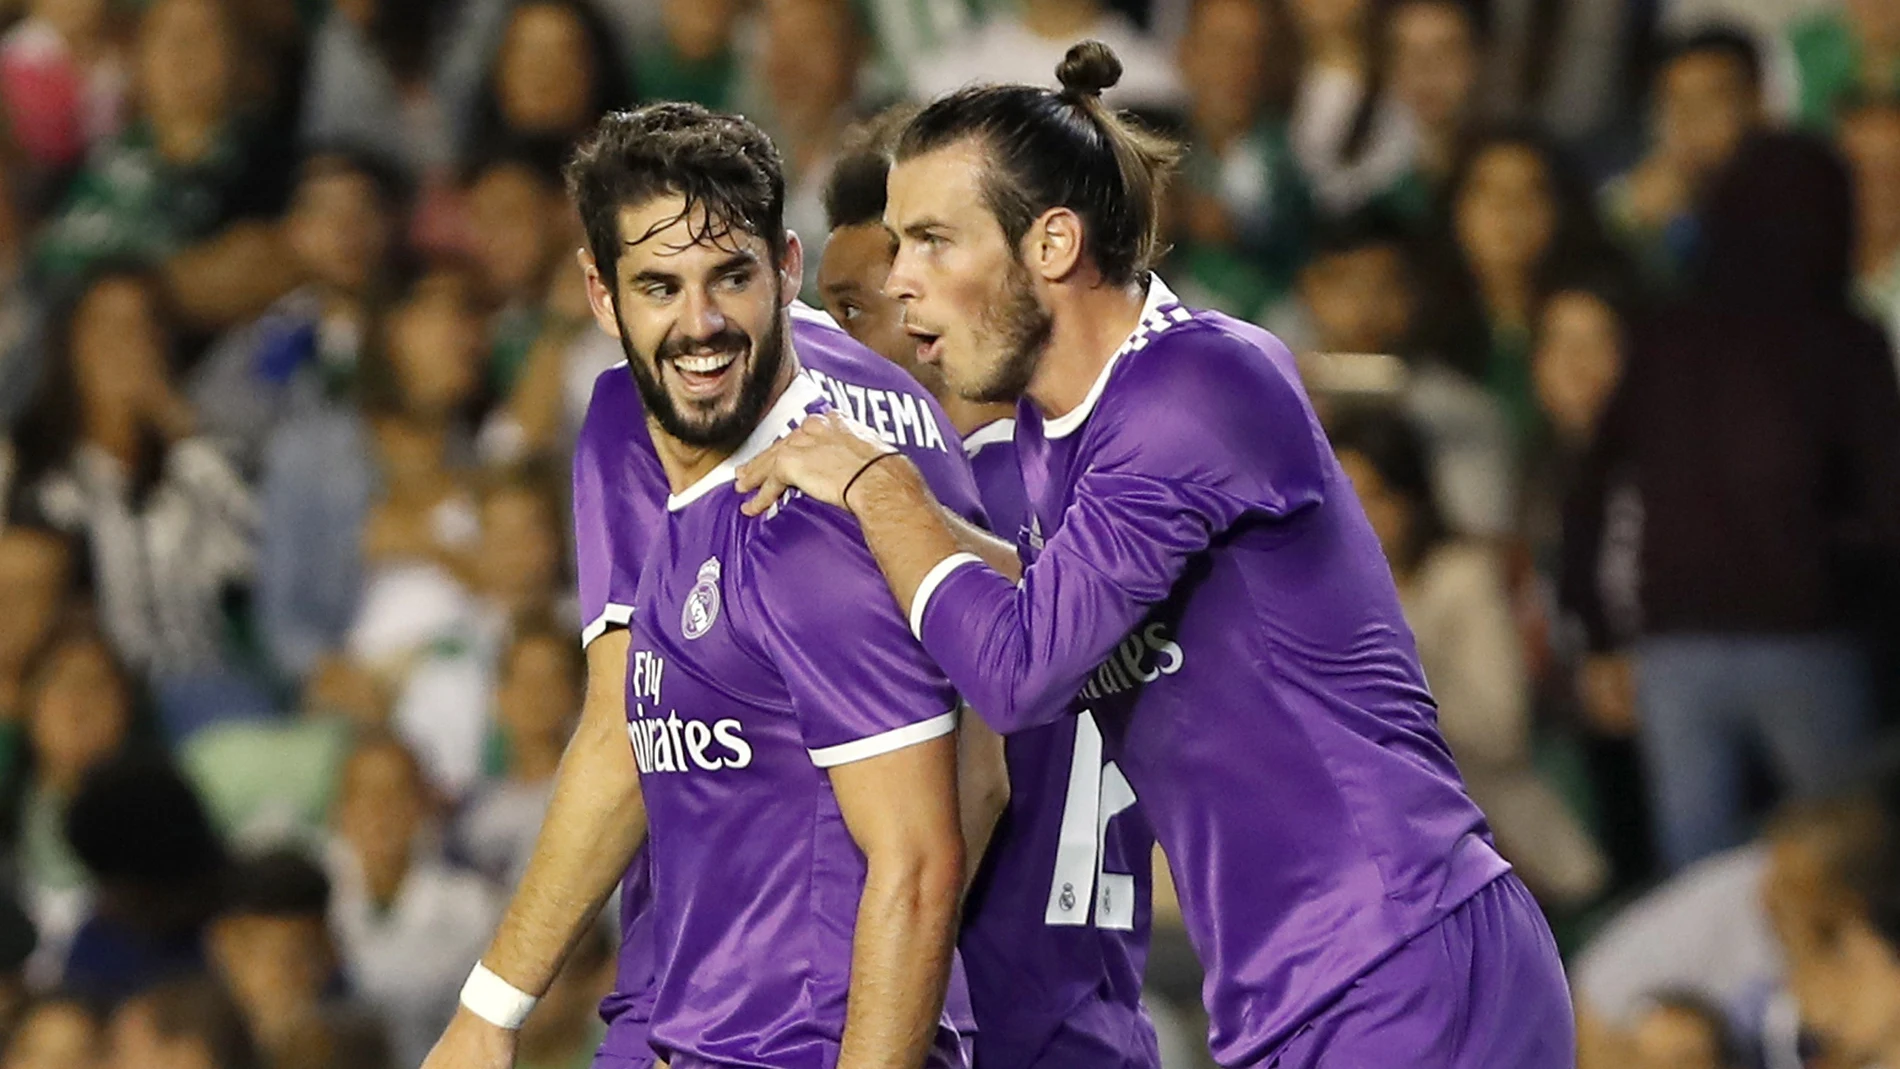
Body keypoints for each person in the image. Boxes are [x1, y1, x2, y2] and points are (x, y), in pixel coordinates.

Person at [737, 42, 1574, 1067]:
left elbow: (1020, 670)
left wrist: (881, 488)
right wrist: (879, 511)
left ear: (1052, 242)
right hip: (1293, 990)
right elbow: (1051, 605)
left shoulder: (1199, 385)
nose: (901, 280)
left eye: (932, 241)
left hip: (1403, 959)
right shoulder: (1054, 430)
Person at [422, 102, 1007, 1069]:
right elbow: (980, 775)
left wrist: (492, 1009)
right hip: (716, 1021)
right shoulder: (793, 450)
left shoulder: (797, 517)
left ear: (785, 267)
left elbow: (918, 856)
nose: (698, 323)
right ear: (602, 294)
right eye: (660, 286)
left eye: (730, 277)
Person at [819, 110, 1163, 1069]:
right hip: (1099, 1018)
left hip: (982, 1022)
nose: (825, 347)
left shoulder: (934, 518)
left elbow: (975, 787)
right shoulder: (1080, 482)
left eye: (850, 309)